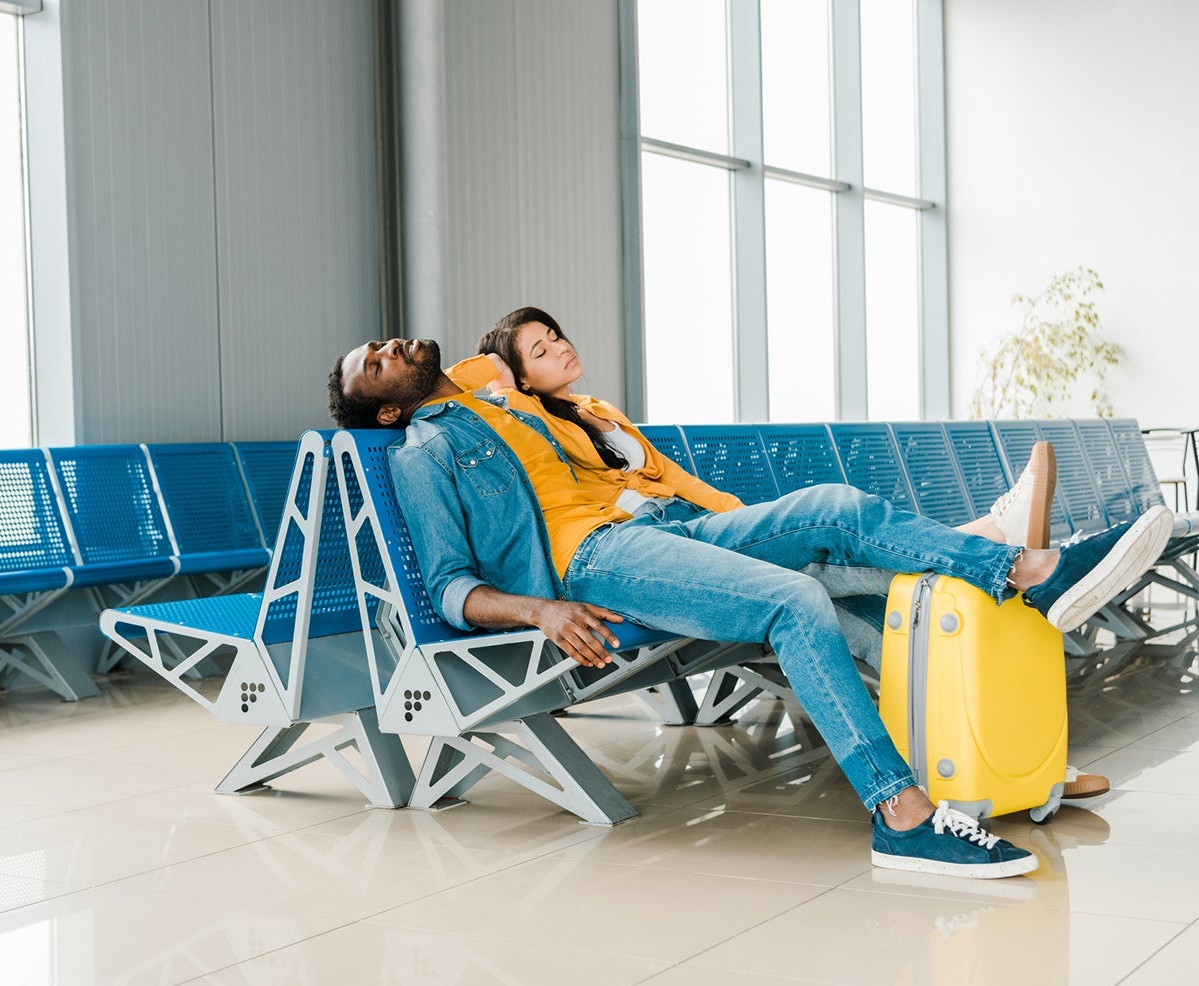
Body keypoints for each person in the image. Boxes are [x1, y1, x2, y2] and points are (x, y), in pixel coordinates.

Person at [328, 336, 1172, 877]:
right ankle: (902, 815)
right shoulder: (425, 449)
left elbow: (498, 361)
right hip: (596, 561)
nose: (389, 345)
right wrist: (539, 613)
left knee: (837, 508)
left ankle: (1020, 569)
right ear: (390, 406)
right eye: (374, 363)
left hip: (662, 525)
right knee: (800, 600)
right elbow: (445, 586)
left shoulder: (480, 391)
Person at [470, 305, 1110, 802]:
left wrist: (746, 526)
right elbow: (468, 392)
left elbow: (677, 480)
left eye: (556, 334)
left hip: (688, 530)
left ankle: (1020, 761)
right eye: (539, 348)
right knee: (863, 597)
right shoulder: (515, 417)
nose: (560, 346)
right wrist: (499, 381)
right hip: (627, 553)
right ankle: (998, 549)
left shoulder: (597, 411)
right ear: (514, 375)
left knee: (879, 591)